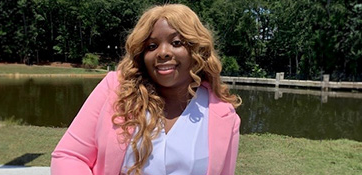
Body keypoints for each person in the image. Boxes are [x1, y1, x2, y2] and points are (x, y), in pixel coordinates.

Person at [51, 3, 241, 175]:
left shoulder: (224, 116)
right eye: (152, 46)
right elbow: (69, 155)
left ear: (196, 51)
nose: (163, 52)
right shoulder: (115, 89)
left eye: (176, 43)